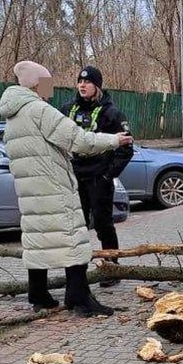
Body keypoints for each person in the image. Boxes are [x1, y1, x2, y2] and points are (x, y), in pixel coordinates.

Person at [0, 61, 134, 317]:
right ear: (37, 83)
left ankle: (38, 294)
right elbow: (78, 140)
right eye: (48, 82)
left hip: (31, 189)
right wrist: (114, 140)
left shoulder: (13, 113)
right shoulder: (39, 109)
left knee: (38, 239)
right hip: (54, 186)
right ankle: (79, 297)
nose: (52, 88)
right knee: (74, 237)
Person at [60, 66, 133, 287]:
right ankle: (77, 272)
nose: (82, 85)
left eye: (88, 82)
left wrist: (107, 175)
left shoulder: (112, 114)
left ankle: (112, 268)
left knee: (103, 225)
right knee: (75, 226)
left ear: (97, 86)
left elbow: (126, 149)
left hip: (98, 179)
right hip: (74, 178)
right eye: (80, 82)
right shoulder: (66, 109)